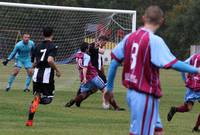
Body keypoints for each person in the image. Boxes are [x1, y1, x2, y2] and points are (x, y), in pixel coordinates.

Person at [106, 5, 200, 135]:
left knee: (158, 131)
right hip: (144, 95)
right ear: (161, 21)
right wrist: (196, 70)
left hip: (133, 92)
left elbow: (114, 62)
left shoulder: (130, 37)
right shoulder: (154, 41)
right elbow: (174, 63)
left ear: (144, 18)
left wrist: (109, 88)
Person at [25, 27, 61, 126]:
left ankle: (30, 121)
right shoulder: (53, 46)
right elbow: (50, 60)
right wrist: (57, 70)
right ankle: (37, 101)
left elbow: (35, 62)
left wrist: (31, 69)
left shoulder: (37, 46)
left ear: (43, 34)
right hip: (47, 75)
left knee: (37, 95)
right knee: (49, 99)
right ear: (52, 35)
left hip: (37, 74)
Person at [65, 42, 109, 108]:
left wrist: (82, 77)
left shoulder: (77, 55)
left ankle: (74, 100)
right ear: (86, 49)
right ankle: (106, 105)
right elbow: (85, 67)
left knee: (84, 93)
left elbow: (79, 68)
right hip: (93, 75)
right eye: (88, 47)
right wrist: (85, 78)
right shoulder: (87, 56)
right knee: (105, 89)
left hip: (84, 76)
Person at [167, 53, 200, 132]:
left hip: (191, 85)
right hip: (199, 86)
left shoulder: (194, 56)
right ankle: (196, 128)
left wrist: (186, 81)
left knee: (188, 108)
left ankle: (175, 109)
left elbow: (183, 65)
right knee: (188, 107)